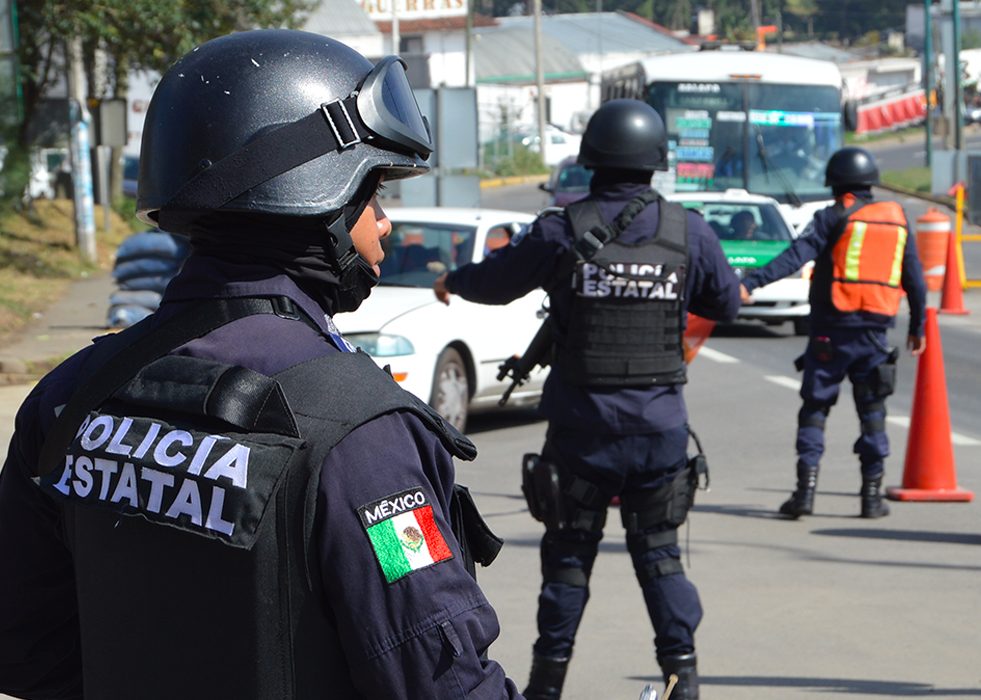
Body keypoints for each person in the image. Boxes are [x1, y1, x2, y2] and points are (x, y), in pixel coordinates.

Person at [0, 29, 522, 699]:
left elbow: (21, 642)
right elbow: (438, 677)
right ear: (315, 195)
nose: (385, 223)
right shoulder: (360, 436)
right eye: (373, 195)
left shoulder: (73, 395)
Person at [434, 99, 742, 700]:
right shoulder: (689, 230)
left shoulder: (561, 228)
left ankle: (547, 688)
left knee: (569, 562)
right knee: (660, 560)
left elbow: (495, 284)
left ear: (590, 159)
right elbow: (726, 303)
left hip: (582, 435)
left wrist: (453, 280)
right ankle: (686, 684)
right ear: (656, 160)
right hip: (660, 436)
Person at [739, 146, 927, 519]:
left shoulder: (830, 217)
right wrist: (918, 326)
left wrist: (752, 282)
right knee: (873, 413)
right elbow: (916, 280)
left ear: (836, 183)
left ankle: (804, 495)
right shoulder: (897, 219)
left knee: (815, 410)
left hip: (829, 333)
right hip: (875, 335)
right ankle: (872, 499)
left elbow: (796, 255)